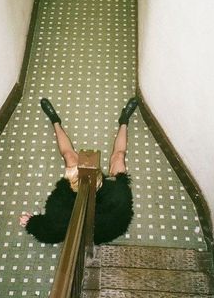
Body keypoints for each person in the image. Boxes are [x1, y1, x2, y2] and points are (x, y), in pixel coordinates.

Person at [19, 97, 138, 245]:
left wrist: (32, 223)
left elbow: (49, 232)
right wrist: (34, 224)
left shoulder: (61, 206)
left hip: (103, 211)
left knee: (109, 157)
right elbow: (53, 230)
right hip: (96, 211)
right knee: (79, 155)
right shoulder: (115, 195)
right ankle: (56, 121)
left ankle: (124, 120)